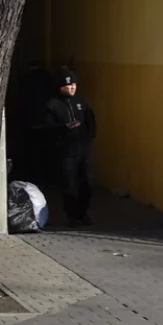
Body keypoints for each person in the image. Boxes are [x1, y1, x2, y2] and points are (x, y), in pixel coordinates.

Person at [44, 66, 97, 227]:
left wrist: (88, 140)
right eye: (68, 85)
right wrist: (63, 130)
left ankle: (83, 212)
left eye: (73, 84)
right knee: (69, 185)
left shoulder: (82, 102)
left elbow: (91, 123)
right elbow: (48, 128)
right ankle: (72, 215)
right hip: (66, 152)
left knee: (87, 183)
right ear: (61, 87)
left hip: (83, 150)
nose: (71, 87)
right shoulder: (53, 105)